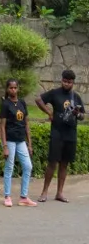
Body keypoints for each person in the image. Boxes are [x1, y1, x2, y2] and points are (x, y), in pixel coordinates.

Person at [35, 70, 85, 203]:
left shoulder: (76, 97)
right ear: (61, 80)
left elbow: (82, 116)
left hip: (71, 134)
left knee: (64, 164)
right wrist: (49, 113)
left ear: (73, 82)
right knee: (52, 162)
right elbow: (38, 99)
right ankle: (44, 192)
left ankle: (59, 193)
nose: (66, 84)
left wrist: (77, 114)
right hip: (57, 133)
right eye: (64, 81)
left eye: (69, 82)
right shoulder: (55, 93)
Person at [0, 78, 36, 207]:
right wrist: (4, 146)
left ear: (18, 89)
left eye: (15, 88)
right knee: (9, 167)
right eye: (11, 88)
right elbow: (2, 126)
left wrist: (29, 144)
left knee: (28, 166)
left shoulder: (22, 103)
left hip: (21, 141)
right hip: (10, 140)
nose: (13, 90)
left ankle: (23, 197)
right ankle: (7, 196)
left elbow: (26, 124)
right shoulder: (5, 104)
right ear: (7, 89)